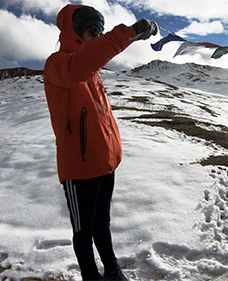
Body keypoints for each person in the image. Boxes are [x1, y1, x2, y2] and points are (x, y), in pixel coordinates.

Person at [44, 4, 157, 280]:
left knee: (102, 224)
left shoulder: (92, 73)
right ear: (75, 32)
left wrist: (114, 155)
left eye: (100, 31)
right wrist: (127, 34)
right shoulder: (59, 65)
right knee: (83, 231)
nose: (97, 36)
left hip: (105, 164)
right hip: (79, 168)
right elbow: (80, 65)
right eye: (92, 30)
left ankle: (112, 269)